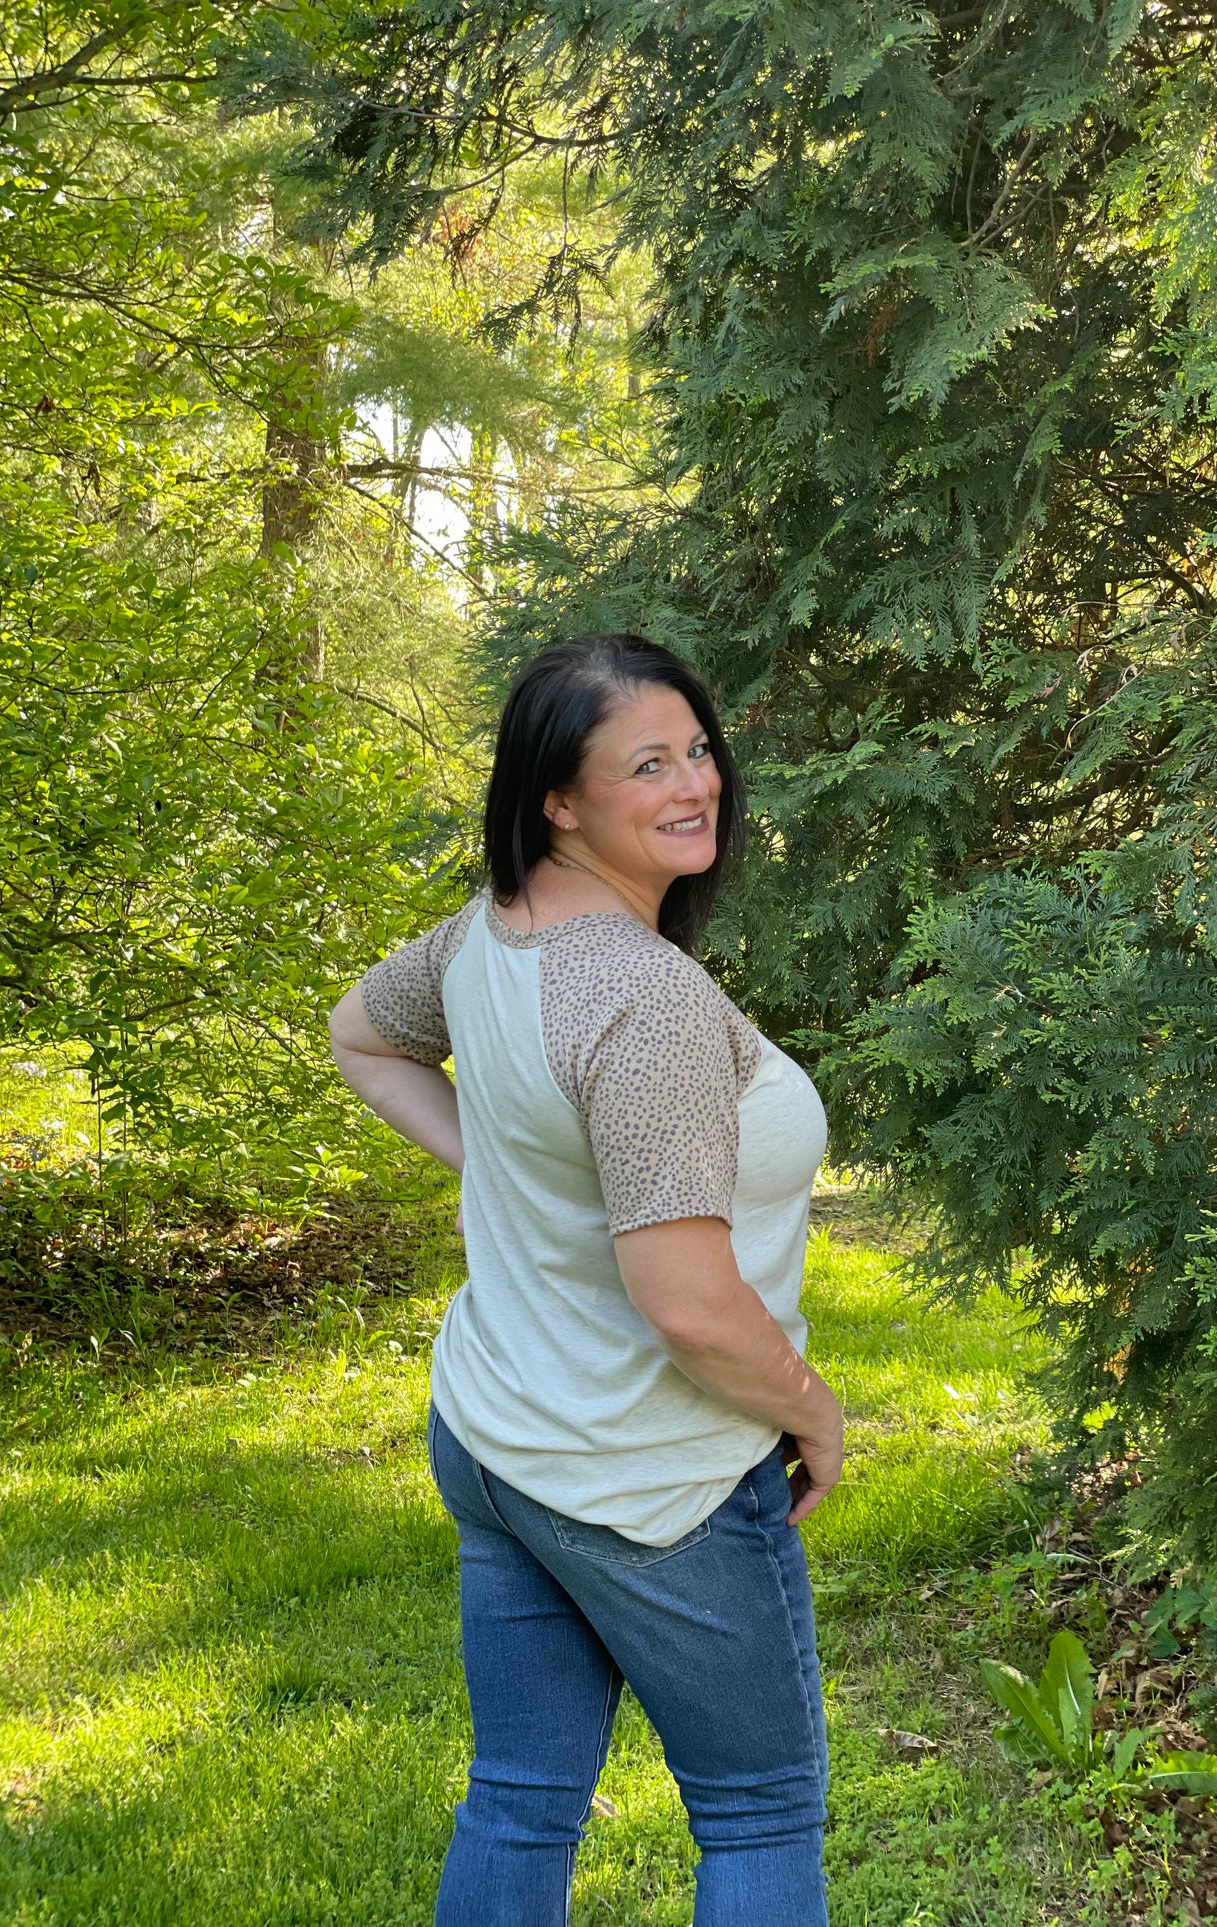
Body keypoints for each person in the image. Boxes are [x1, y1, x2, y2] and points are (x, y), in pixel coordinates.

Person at [328, 633, 843, 1927]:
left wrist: (516, 1173)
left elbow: (356, 1033)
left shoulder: (487, 938)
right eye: (647, 764)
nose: (695, 785)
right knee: (760, 1810)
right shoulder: (641, 998)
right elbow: (685, 1306)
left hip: (501, 1436)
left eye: (699, 750)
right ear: (556, 799)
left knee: (516, 1798)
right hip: (643, 1475)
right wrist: (809, 1407)